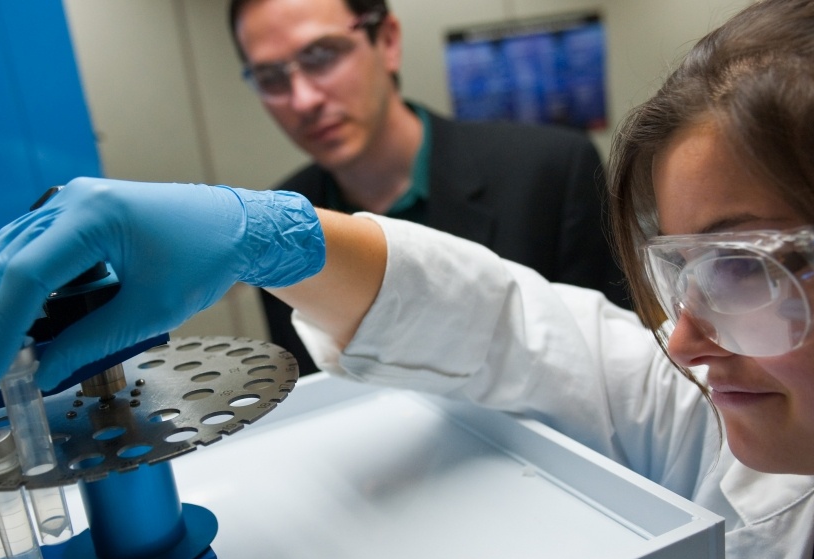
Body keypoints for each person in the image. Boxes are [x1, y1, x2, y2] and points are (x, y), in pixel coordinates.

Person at [0, 0, 814, 559]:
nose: (686, 335)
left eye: (750, 269)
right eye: (678, 271)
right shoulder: (739, 448)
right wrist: (270, 235)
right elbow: (514, 328)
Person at [229, 0, 629, 375]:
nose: (303, 100)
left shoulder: (549, 172)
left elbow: (615, 370)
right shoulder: (278, 227)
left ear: (386, 41)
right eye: (270, 77)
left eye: (321, 55)